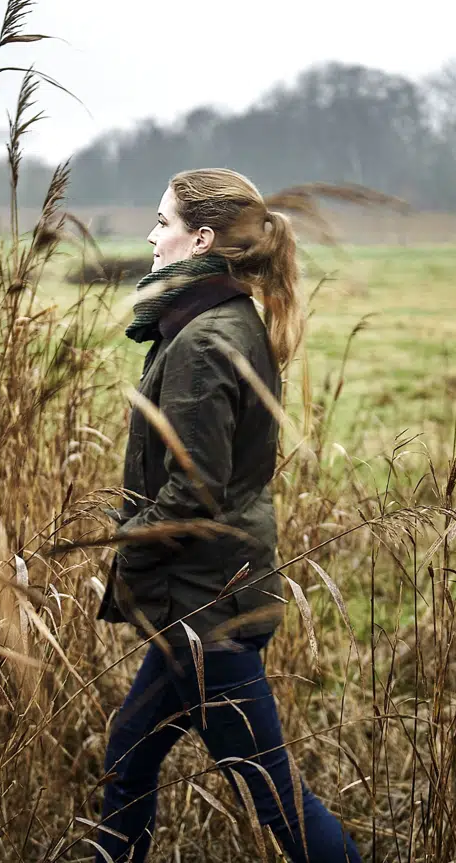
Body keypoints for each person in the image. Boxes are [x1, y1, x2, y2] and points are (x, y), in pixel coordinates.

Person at [93, 169, 362, 862]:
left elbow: (195, 490)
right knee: (128, 755)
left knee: (276, 796)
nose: (152, 236)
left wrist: (123, 543)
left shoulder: (205, 339)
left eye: (163, 221)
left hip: (206, 613)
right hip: (209, 599)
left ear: (202, 237)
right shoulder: (222, 322)